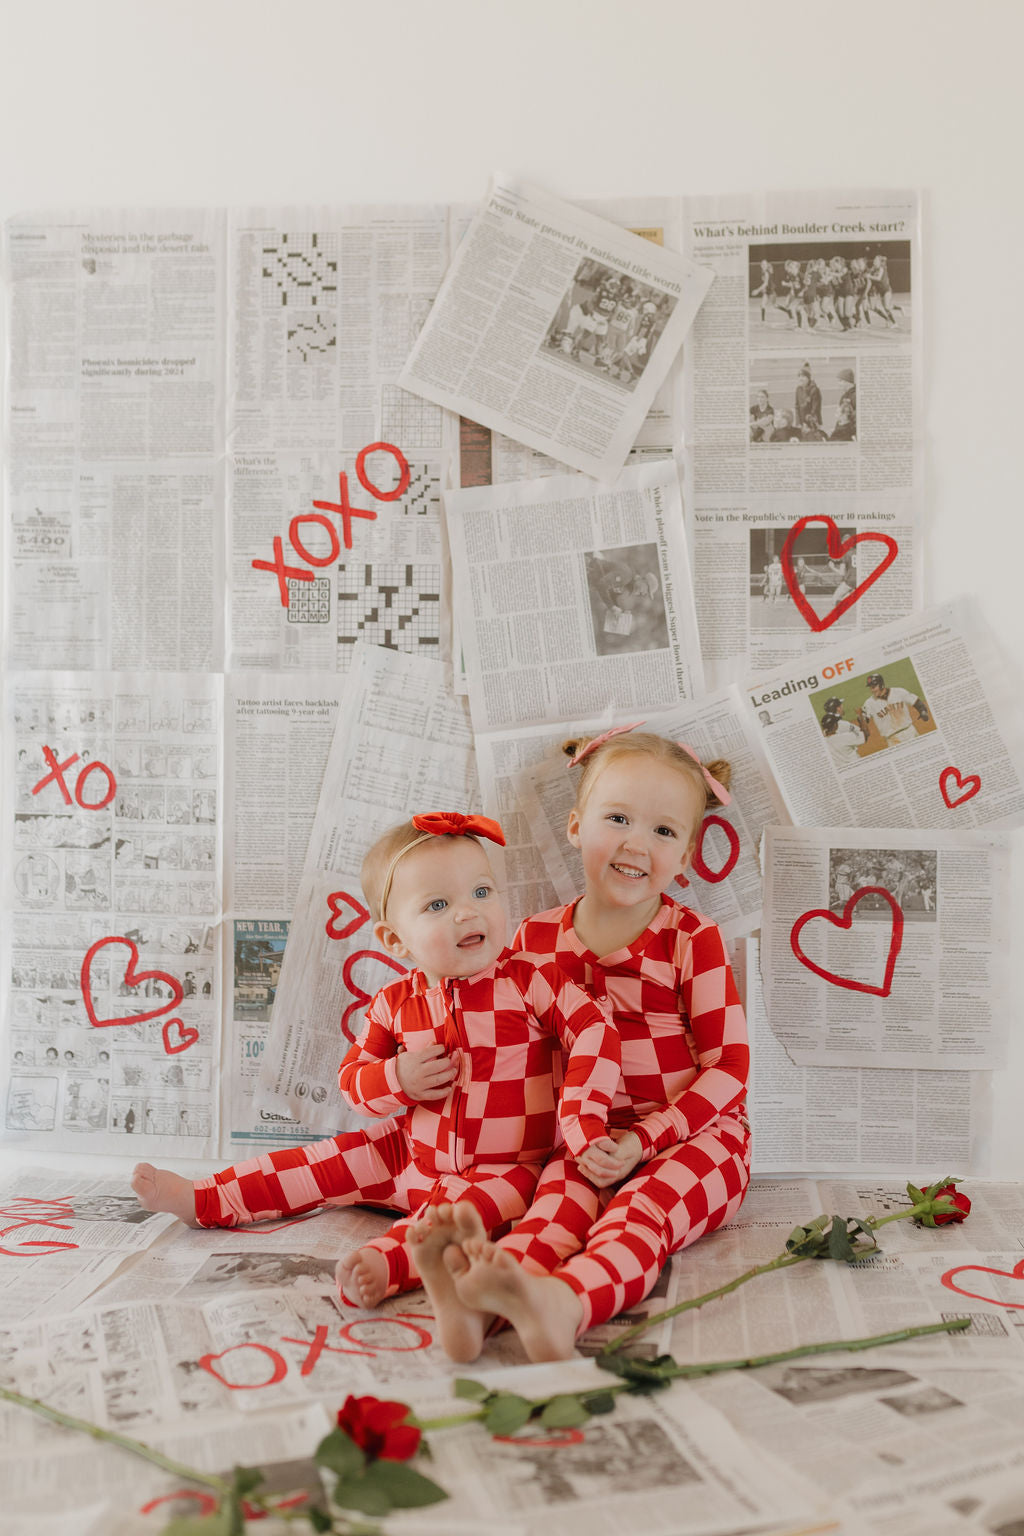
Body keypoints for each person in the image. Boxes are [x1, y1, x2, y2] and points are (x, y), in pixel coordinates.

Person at [131, 812, 619, 1314]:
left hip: (509, 1167)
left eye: (481, 892)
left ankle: (390, 1262)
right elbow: (353, 1084)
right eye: (437, 904)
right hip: (406, 1153)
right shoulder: (393, 1002)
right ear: (394, 940)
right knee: (318, 1164)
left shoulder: (530, 979)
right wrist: (398, 1078)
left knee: (454, 1218)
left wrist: (581, 1116)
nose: (468, 914)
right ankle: (206, 1199)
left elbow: (595, 1030)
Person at [406, 727, 750, 1363]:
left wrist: (645, 1141)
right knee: (551, 1213)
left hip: (696, 1137)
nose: (635, 844)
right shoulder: (532, 941)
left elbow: (729, 1067)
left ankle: (563, 1305)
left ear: (686, 858)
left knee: (639, 1216)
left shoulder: (691, 939)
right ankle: (475, 1307)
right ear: (574, 826)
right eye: (617, 818)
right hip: (582, 1140)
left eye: (663, 831)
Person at [860, 673, 930, 747]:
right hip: (893, 740)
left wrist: (923, 711)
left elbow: (916, 701)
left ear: (881, 685)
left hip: (910, 732)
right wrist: (862, 718)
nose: (872, 690)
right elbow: (864, 718)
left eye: (874, 687)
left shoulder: (898, 692)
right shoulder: (869, 703)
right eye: (870, 688)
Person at [819, 697, 866, 768]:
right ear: (838, 708)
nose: (842, 707)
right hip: (852, 760)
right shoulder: (843, 724)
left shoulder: (826, 729)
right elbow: (863, 734)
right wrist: (860, 716)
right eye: (841, 705)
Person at [794, 362, 823, 438]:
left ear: (808, 378)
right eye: (799, 376)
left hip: (812, 422)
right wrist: (798, 422)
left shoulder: (814, 390)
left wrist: (807, 423)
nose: (801, 378)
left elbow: (815, 409)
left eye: (803, 376)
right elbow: (797, 407)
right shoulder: (798, 389)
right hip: (802, 423)